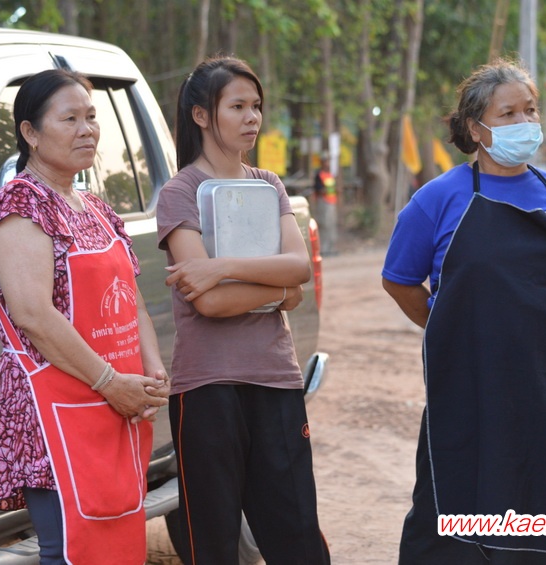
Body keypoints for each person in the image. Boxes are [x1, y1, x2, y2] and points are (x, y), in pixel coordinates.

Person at [382, 59, 546, 564]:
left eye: (530, 110)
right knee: (456, 498)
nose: (524, 122)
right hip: (468, 384)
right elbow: (399, 279)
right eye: (508, 114)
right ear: (476, 128)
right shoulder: (438, 199)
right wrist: (450, 324)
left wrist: (533, 322)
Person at [0, 69, 169, 565]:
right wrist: (110, 382)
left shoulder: (96, 208)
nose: (87, 130)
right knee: (72, 550)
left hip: (115, 404)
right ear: (30, 133)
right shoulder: (20, 207)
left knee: (116, 543)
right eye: (70, 119)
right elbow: (34, 315)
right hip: (56, 411)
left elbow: (132, 298)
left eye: (91, 117)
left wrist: (151, 371)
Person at [156, 55, 331, 565]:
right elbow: (210, 302)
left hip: (275, 378)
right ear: (201, 115)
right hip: (206, 388)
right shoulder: (179, 193)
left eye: (256, 106)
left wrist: (222, 267)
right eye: (237, 106)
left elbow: (298, 267)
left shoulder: (269, 184)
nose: (252, 117)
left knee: (297, 535)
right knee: (213, 541)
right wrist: (277, 291)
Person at [313, 153, 339, 255]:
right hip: (323, 203)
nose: (327, 163)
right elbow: (318, 190)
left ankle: (331, 248)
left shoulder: (330, 175)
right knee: (324, 225)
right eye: (325, 161)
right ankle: (323, 249)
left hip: (332, 203)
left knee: (331, 225)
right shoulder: (319, 175)